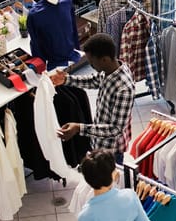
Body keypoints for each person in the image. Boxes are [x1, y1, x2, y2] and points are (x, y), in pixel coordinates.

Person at [50, 33, 135, 164]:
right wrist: (66, 79)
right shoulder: (109, 70)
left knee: (108, 183)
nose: (91, 65)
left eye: (92, 62)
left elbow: (115, 130)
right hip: (99, 142)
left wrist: (79, 128)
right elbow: (94, 81)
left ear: (105, 59)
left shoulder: (124, 89)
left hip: (111, 152)